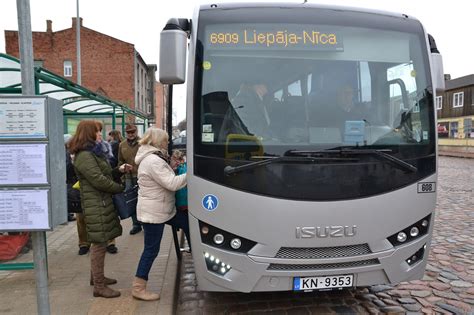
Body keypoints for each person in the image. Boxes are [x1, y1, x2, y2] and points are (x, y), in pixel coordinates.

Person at [68, 120, 132, 298]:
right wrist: (120, 189)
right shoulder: (85, 156)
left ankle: (97, 278)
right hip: (95, 204)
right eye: (97, 132)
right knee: (99, 244)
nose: (100, 135)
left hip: (101, 202)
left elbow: (104, 175)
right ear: (88, 133)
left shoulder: (92, 153)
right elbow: (99, 181)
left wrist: (118, 171)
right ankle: (99, 286)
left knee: (100, 242)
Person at [131, 127, 187, 301]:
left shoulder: (155, 158)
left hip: (163, 209)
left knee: (188, 223)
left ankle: (198, 257)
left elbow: (164, 176)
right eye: (165, 140)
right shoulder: (153, 161)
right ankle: (138, 288)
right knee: (151, 249)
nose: (168, 142)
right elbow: (171, 183)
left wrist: (172, 167)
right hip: (154, 213)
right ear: (157, 141)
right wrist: (191, 173)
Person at [118, 123, 142, 235]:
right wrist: (122, 171)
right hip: (128, 177)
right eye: (128, 132)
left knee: (142, 200)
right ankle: (136, 224)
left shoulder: (142, 143)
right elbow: (120, 160)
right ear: (125, 133)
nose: (131, 134)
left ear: (136, 132)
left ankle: (145, 224)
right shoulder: (122, 145)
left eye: (133, 132)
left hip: (141, 176)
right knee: (131, 200)